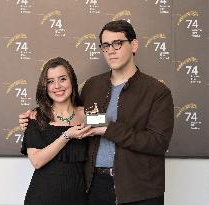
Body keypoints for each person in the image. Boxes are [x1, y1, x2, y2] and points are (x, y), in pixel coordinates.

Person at [19, 20, 174, 205]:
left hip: (139, 190)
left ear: (134, 45)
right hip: (95, 187)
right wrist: (33, 117)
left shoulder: (157, 92)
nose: (111, 50)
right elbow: (71, 114)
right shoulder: (92, 86)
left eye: (117, 43)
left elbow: (158, 143)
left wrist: (109, 129)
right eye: (105, 45)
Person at [20, 57, 91, 205]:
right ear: (45, 87)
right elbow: (37, 161)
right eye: (50, 81)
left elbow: (110, 128)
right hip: (44, 197)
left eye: (62, 79)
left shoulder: (88, 114)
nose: (57, 86)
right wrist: (67, 135)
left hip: (78, 197)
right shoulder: (36, 117)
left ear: (72, 81)